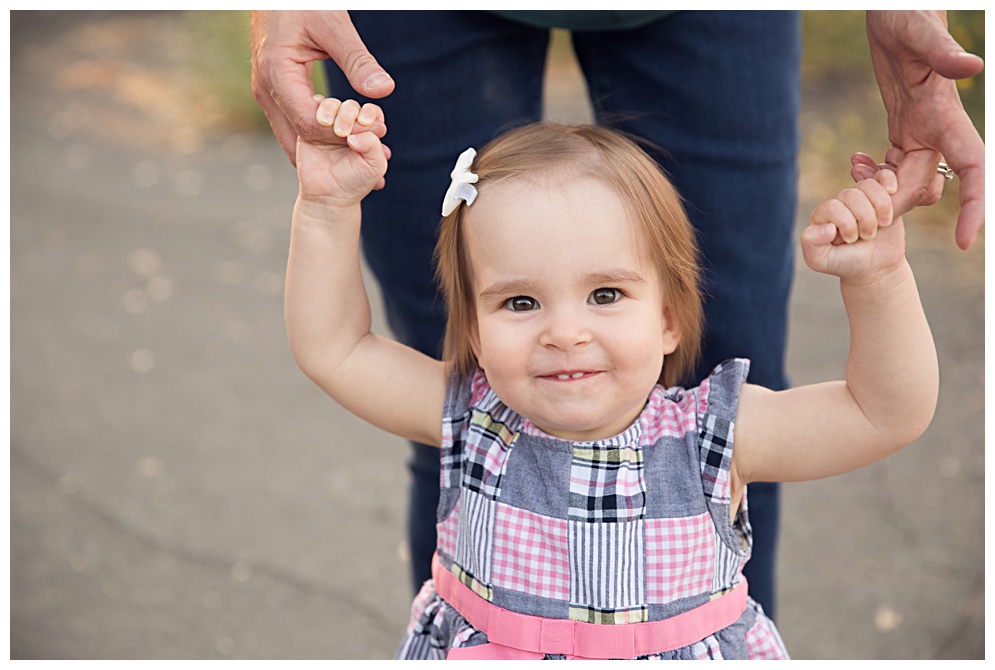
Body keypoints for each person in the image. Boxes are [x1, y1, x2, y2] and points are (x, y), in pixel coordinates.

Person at [252, 10, 984, 620]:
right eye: (518, 301)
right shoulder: (470, 414)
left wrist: (878, 277)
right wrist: (325, 206)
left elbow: (884, 411)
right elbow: (335, 346)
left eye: (605, 295)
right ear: (470, 327)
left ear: (670, 318)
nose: (564, 331)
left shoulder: (714, 436)